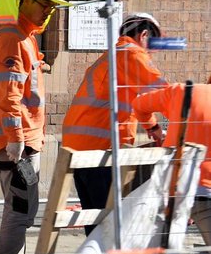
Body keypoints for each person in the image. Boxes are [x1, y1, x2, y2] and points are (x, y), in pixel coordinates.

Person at [0, 0, 70, 254]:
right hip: (12, 145)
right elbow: (9, 94)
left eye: (51, 6)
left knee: (21, 209)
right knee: (19, 211)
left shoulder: (24, 39)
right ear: (23, 0)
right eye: (43, 3)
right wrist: (16, 137)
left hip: (19, 142)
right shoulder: (14, 39)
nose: (49, 11)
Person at [62, 13, 168, 235]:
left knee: (96, 217)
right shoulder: (132, 54)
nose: (151, 53)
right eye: (153, 44)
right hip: (100, 148)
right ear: (144, 34)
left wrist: (153, 128)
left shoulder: (112, 56)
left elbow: (137, 100)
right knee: (109, 223)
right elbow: (164, 94)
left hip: (80, 147)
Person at [133, 81, 211, 253]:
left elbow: (138, 104)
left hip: (169, 188)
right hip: (205, 193)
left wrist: (152, 127)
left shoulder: (182, 91)